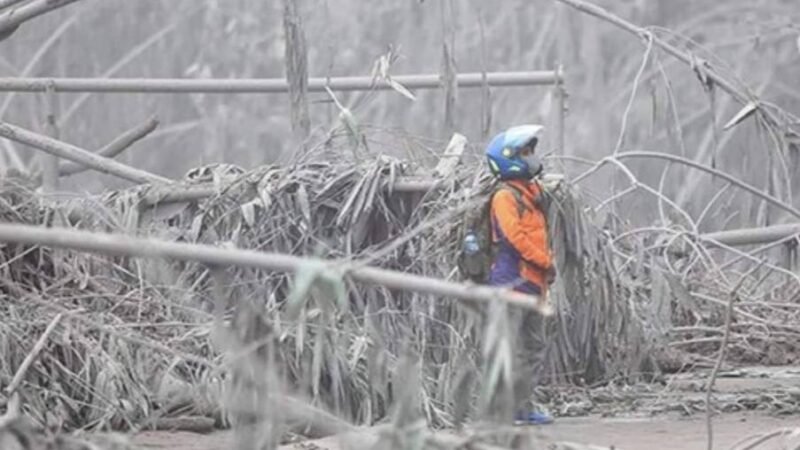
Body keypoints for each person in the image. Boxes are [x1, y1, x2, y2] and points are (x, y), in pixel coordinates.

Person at [484, 124, 556, 425]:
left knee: (533, 348)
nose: (531, 157)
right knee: (510, 349)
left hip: (533, 284)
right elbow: (514, 238)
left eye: (531, 151)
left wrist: (545, 267)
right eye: (525, 152)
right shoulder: (504, 197)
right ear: (510, 158)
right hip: (511, 284)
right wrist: (544, 261)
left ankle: (523, 408)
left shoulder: (531, 191)